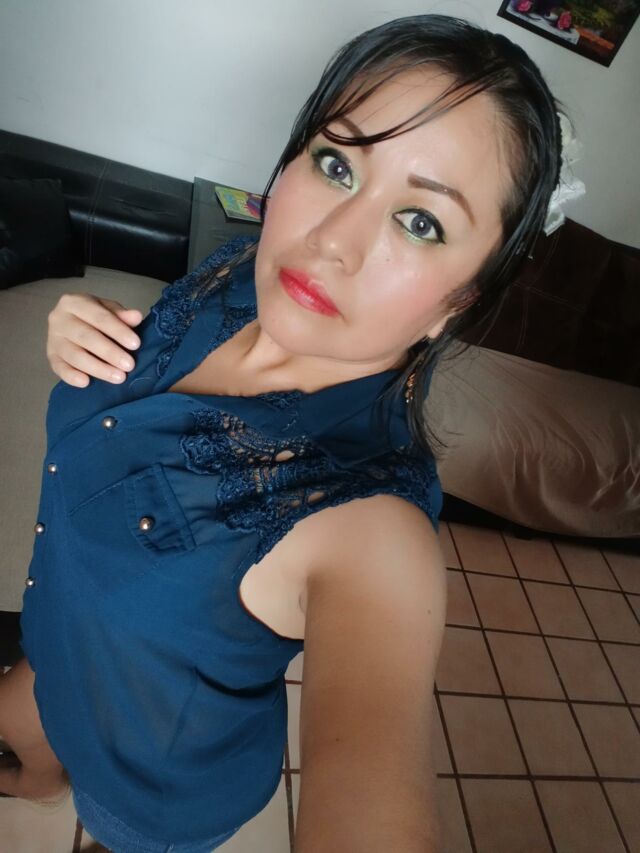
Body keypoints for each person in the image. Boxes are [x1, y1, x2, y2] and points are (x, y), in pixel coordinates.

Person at [0, 14, 565, 852]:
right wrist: (77, 335)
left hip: (151, 783)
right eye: (337, 164)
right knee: (28, 744)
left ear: (460, 301)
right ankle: (43, 780)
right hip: (53, 647)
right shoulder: (236, 276)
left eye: (420, 221)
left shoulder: (369, 529)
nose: (330, 240)